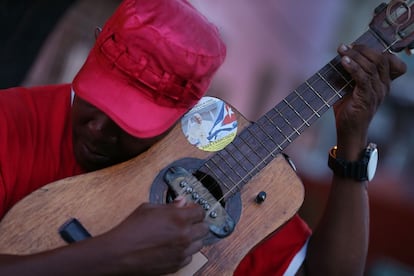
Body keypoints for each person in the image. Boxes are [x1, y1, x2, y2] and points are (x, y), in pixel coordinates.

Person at [0, 0, 407, 275]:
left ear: (183, 115)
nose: (97, 129)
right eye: (96, 99)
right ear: (94, 49)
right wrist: (113, 253)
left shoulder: (211, 171)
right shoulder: (16, 120)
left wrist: (351, 144)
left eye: (129, 122)